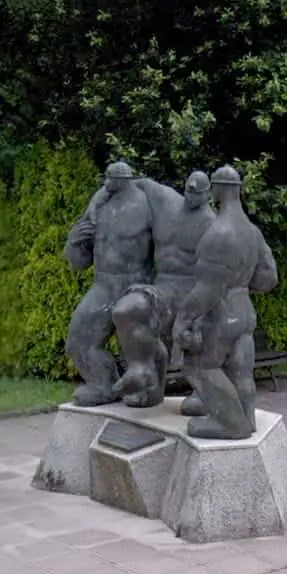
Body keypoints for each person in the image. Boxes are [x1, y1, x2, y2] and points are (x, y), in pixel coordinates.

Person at [172, 165, 278, 439]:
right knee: (241, 370)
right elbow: (269, 278)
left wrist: (183, 318)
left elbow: (207, 290)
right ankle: (247, 418)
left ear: (217, 190)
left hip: (222, 312)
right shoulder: (252, 232)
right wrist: (241, 285)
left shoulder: (219, 232)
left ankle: (231, 424)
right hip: (245, 310)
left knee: (201, 366)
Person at [110, 170, 215, 408]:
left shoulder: (213, 225)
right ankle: (143, 370)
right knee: (125, 310)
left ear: (208, 194)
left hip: (192, 294)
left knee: (203, 328)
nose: (192, 196)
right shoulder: (165, 201)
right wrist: (95, 210)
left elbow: (218, 276)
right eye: (189, 190)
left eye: (198, 193)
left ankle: (206, 390)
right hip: (163, 288)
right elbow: (129, 183)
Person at [62, 162, 156, 405]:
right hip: (103, 286)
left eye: (112, 178)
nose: (107, 182)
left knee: (135, 345)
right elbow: (79, 262)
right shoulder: (99, 206)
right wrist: (73, 241)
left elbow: (169, 251)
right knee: (78, 340)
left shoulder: (148, 204)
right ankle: (103, 385)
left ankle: (145, 388)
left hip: (136, 284)